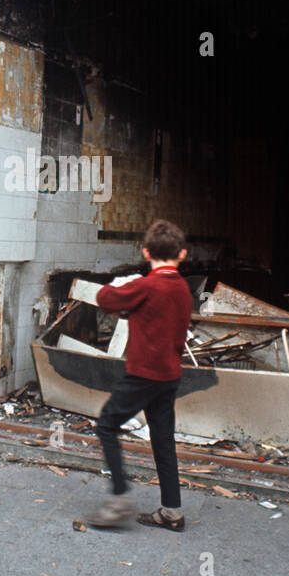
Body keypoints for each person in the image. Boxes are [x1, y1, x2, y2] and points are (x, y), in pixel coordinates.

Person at [86, 219, 194, 531]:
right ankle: (172, 511)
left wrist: (122, 283)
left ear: (146, 252)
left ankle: (119, 499)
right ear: (182, 254)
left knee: (107, 425)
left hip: (143, 374)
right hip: (170, 374)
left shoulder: (146, 285)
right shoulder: (183, 288)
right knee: (163, 440)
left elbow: (105, 299)